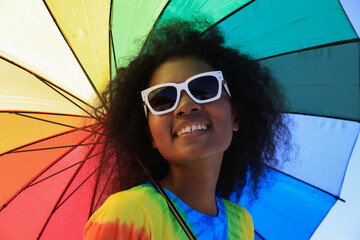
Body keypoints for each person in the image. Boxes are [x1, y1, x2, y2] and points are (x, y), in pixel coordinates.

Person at [83, 19, 291, 240]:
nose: (185, 106)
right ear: (150, 135)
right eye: (163, 99)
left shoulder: (241, 221)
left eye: (203, 89)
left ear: (235, 117)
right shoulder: (128, 213)